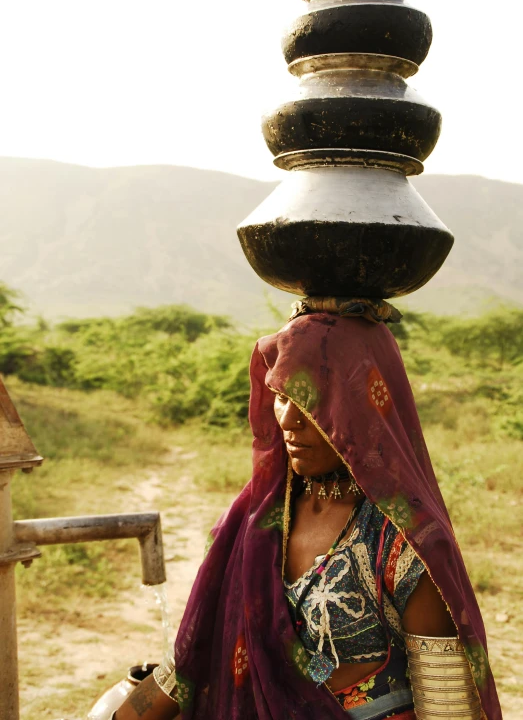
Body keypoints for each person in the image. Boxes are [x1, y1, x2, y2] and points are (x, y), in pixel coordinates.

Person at [115, 299, 501, 719]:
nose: (289, 419)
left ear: (364, 401)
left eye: (313, 398)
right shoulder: (255, 519)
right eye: (282, 395)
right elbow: (195, 652)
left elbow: (448, 708)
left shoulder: (404, 542)